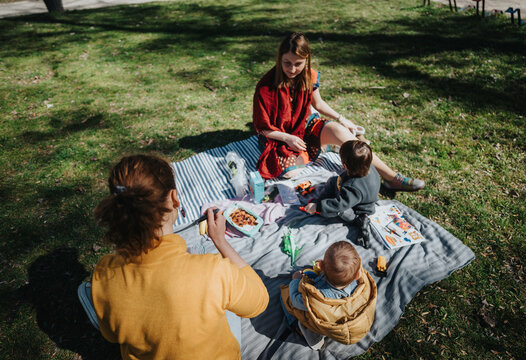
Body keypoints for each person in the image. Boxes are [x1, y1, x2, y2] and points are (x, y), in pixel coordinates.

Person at [89, 154, 269, 360]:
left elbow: (111, 335)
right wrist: (221, 242)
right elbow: (259, 302)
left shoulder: (104, 273)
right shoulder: (214, 272)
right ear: (174, 198)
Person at [253, 32, 424, 192]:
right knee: (291, 173)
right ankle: (324, 147)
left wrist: (342, 119)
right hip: (280, 136)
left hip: (304, 126)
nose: (292, 69)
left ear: (307, 60)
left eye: (298, 64)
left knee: (343, 134)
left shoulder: (307, 76)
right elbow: (262, 128)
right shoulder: (265, 86)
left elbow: (318, 104)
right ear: (279, 59)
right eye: (287, 63)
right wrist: (287, 138)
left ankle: (391, 178)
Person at [280, 241, 377, 350]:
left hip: (324, 321)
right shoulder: (363, 284)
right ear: (358, 274)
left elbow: (295, 301)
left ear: (321, 264)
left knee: (286, 299)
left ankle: (313, 339)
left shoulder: (315, 297)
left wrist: (295, 280)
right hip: (349, 320)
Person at [303, 139, 379, 249]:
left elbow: (339, 205)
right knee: (334, 180)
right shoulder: (368, 166)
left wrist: (318, 206)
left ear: (345, 165)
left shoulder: (352, 187)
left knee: (341, 212)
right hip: (364, 196)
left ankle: (360, 220)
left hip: (359, 208)